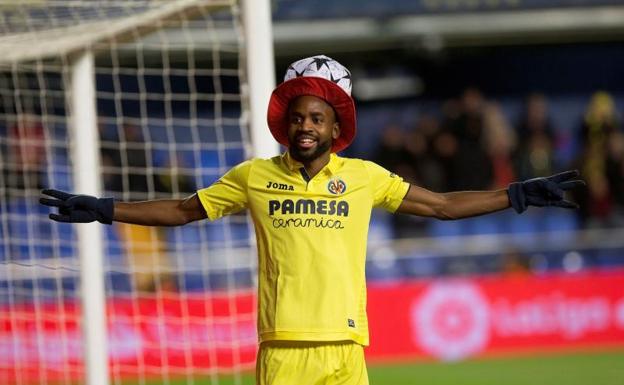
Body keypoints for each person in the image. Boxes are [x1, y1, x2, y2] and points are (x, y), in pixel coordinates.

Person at [40, 55, 584, 385]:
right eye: (297, 117)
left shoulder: (365, 176)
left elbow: (441, 205)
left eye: (316, 118)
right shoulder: (253, 176)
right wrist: (107, 209)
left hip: (347, 348)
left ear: (333, 127)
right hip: (283, 348)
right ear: (286, 124)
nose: (305, 125)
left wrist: (513, 194)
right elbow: (185, 211)